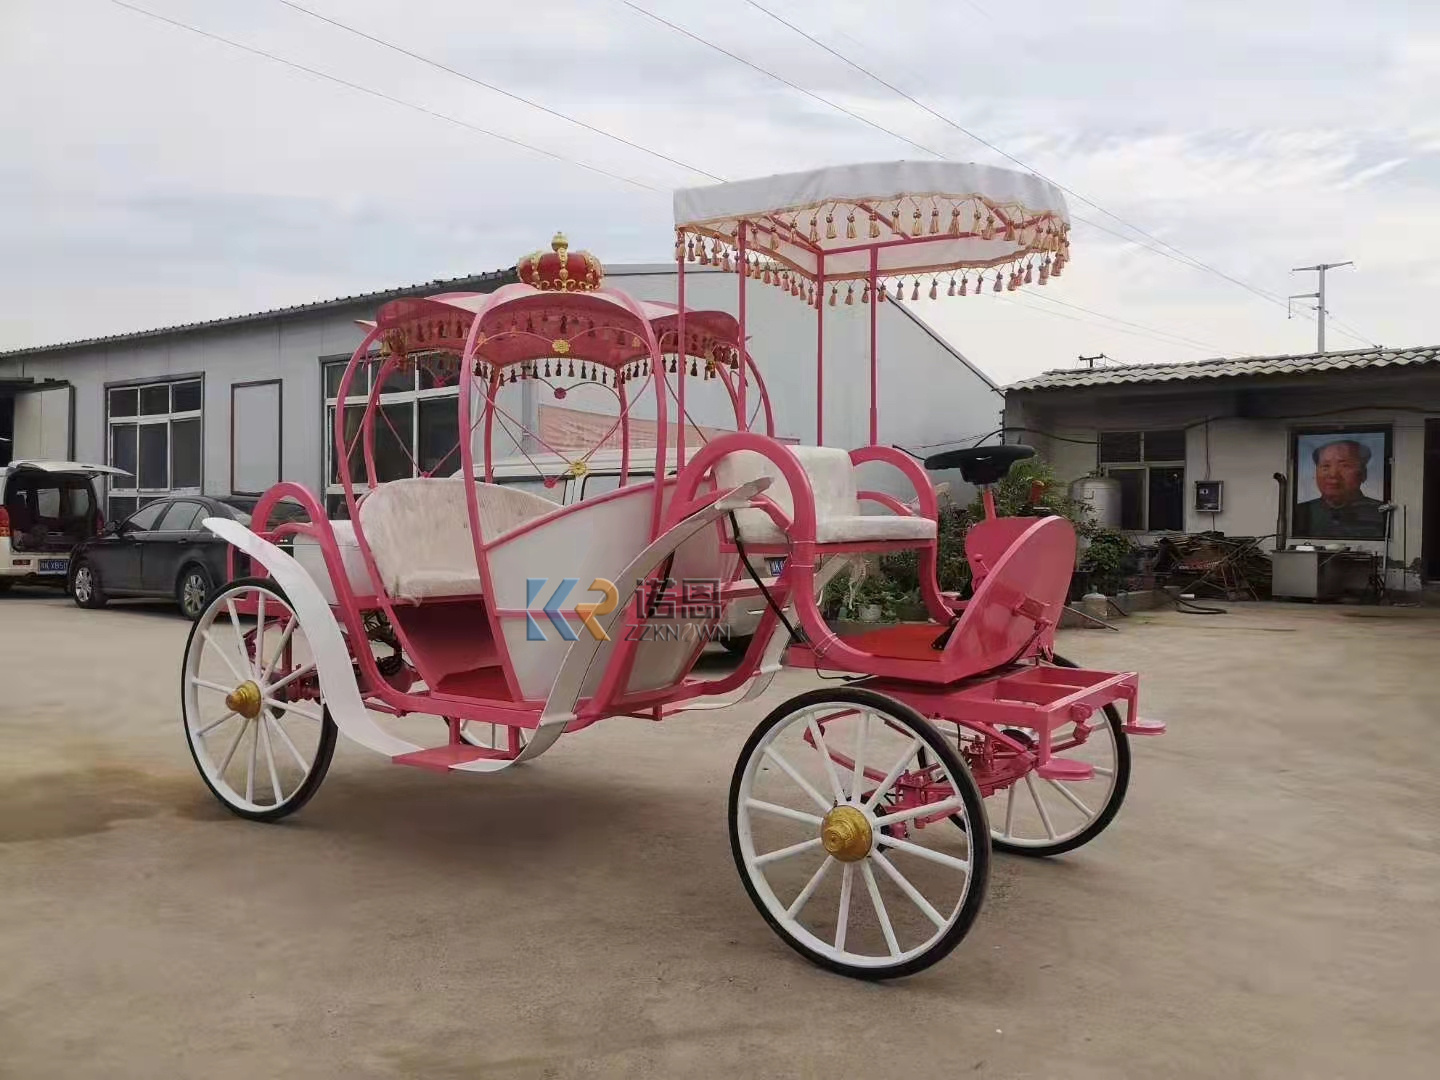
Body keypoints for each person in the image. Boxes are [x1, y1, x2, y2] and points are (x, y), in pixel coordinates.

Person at [1293, 438, 1386, 539]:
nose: (1333, 474)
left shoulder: (1382, 513)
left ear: (1363, 474)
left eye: (1344, 466)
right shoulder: (1300, 513)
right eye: (1325, 466)